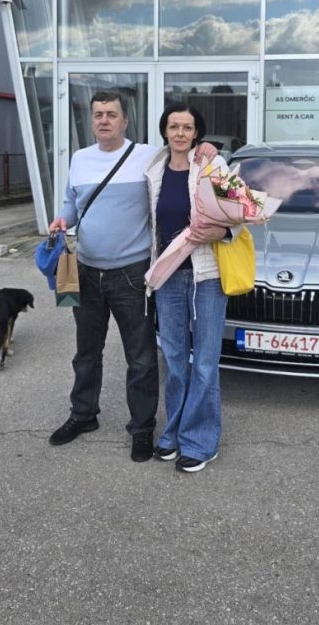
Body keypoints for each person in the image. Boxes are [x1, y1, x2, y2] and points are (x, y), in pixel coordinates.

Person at [48, 90, 215, 462]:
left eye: (111, 114)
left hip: (132, 274)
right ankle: (83, 414)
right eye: (98, 114)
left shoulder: (147, 157)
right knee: (86, 352)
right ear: (91, 120)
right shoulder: (79, 159)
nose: (104, 120)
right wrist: (62, 219)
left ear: (125, 121)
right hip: (83, 271)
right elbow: (72, 205)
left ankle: (141, 428)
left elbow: (184, 153)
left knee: (140, 358)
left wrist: (206, 147)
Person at [145, 104, 234, 473]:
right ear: (165, 131)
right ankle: (173, 432)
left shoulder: (213, 164)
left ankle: (200, 441)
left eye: (187, 127)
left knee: (205, 363)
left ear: (197, 132)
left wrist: (223, 230)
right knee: (175, 362)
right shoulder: (153, 169)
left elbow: (239, 215)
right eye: (173, 126)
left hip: (206, 277)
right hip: (168, 277)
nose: (180, 133)